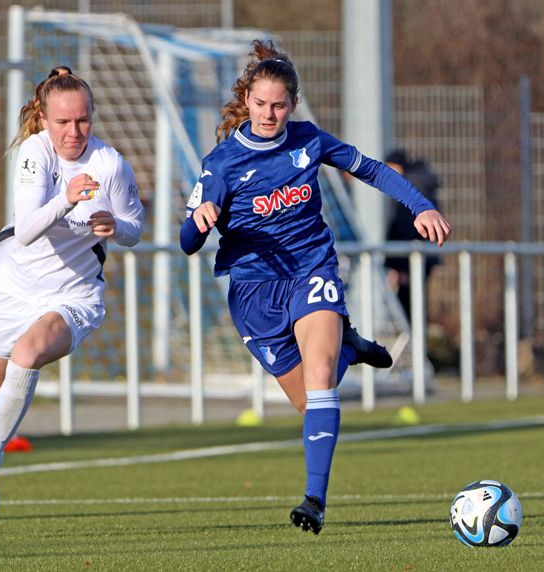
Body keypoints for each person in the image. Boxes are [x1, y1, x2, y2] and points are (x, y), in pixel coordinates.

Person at [179, 40, 451, 536]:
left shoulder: (308, 140)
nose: (269, 113)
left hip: (313, 272)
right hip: (254, 293)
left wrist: (420, 205)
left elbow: (369, 169)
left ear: (293, 103)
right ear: (246, 101)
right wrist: (198, 221)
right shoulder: (222, 163)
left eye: (279, 105)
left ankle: (314, 500)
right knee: (311, 406)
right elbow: (187, 243)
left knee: (322, 379)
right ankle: (350, 347)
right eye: (260, 104)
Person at [0, 66, 145, 525]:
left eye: (82, 121)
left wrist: (114, 227)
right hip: (11, 287)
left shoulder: (110, 163)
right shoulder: (32, 155)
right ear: (44, 119)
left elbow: (136, 229)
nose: (74, 132)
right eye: (63, 122)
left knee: (30, 352)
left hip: (72, 294)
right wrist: (67, 198)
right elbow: (24, 232)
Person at [384, 148, 442, 320]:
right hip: (420, 254)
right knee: (415, 301)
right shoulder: (420, 181)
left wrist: (400, 266)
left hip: (412, 256)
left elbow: (406, 227)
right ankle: (417, 339)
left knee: (409, 304)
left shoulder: (410, 186)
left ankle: (415, 341)